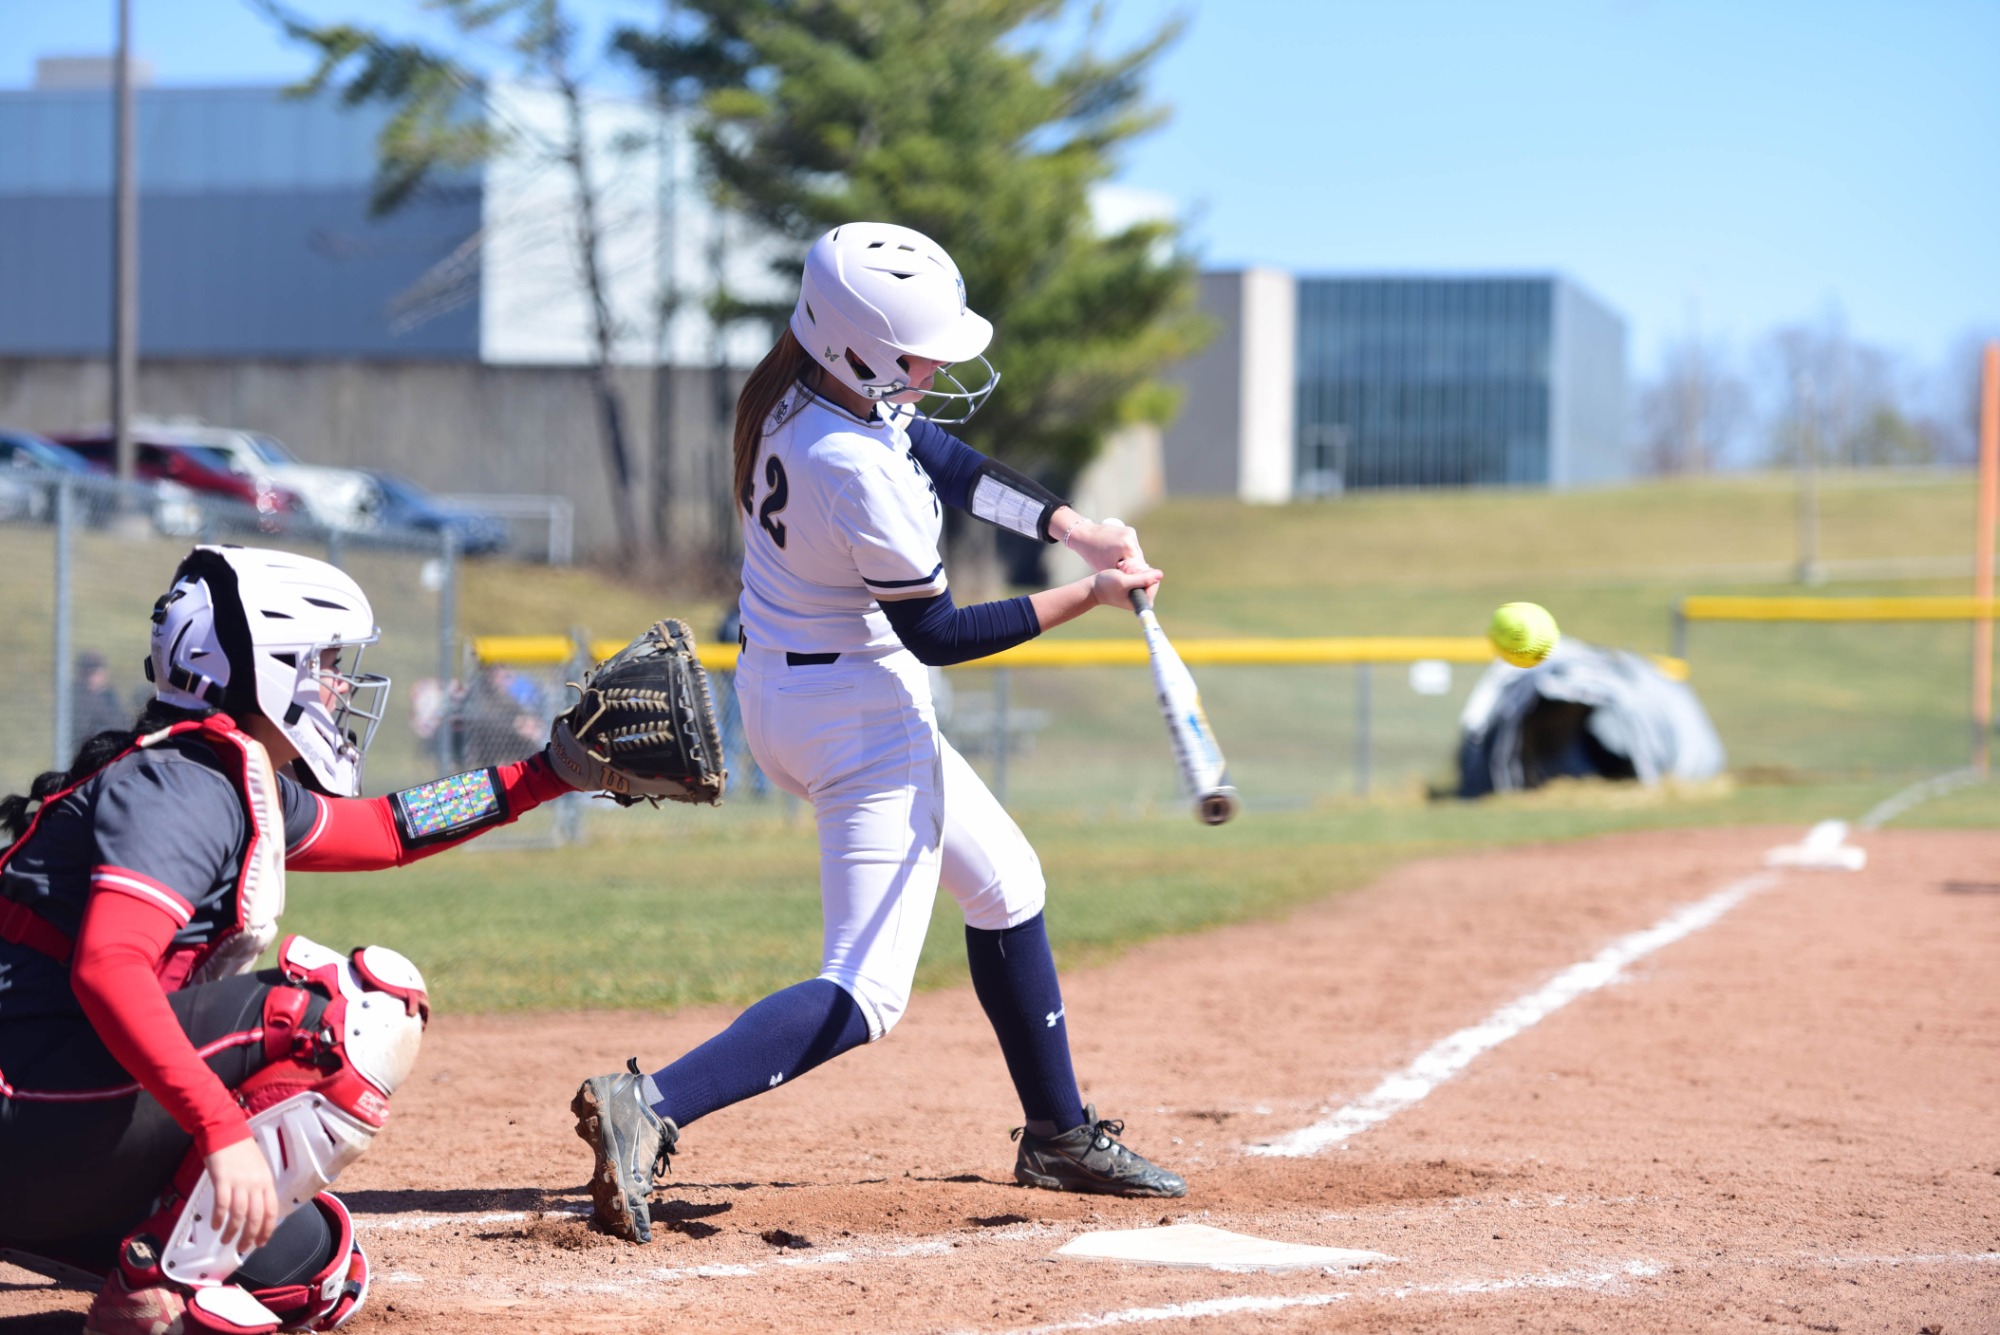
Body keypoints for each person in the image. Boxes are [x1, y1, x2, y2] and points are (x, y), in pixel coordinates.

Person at [572, 221, 1184, 1246]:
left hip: (791, 693)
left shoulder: (794, 393)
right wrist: (1090, 595)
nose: (934, 368)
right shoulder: (850, 462)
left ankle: (1058, 1132)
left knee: (1006, 884)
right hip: (860, 717)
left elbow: (941, 453)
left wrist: (1069, 527)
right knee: (865, 989)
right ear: (857, 347)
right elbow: (938, 634)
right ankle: (654, 1102)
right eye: (915, 353)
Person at [0, 545, 591, 1334]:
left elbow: (390, 828)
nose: (340, 685)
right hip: (27, 1108)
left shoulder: (220, 771)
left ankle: (117, 1244)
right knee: (345, 1017)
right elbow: (109, 967)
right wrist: (217, 1126)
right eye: (325, 664)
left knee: (313, 1271)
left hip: (50, 1115)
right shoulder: (182, 785)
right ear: (263, 666)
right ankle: (149, 1286)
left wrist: (550, 772)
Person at [72, 650, 128, 741]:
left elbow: (122, 724)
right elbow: (82, 729)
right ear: (80, 673)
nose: (93, 676)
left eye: (96, 671)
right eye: (87, 671)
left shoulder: (110, 697)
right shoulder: (75, 697)